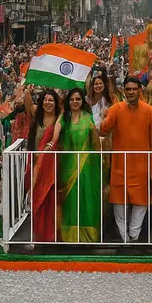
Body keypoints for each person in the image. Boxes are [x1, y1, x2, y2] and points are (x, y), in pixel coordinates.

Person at [99, 77, 152, 242]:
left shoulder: (149, 112)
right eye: (128, 89)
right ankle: (123, 237)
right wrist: (104, 120)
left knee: (141, 202)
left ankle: (134, 235)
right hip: (120, 165)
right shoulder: (115, 109)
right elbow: (103, 131)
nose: (131, 92)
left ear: (140, 89)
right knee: (119, 202)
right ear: (124, 91)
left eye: (134, 89)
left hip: (141, 166)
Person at [55, 87, 103, 242]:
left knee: (86, 197)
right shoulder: (63, 118)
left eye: (78, 99)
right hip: (68, 166)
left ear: (82, 101)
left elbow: (95, 142)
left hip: (87, 167)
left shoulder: (88, 118)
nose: (75, 102)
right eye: (72, 99)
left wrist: (99, 161)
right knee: (70, 199)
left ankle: (88, 236)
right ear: (68, 102)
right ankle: (70, 236)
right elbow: (56, 136)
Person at [24, 87, 61, 242]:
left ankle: (51, 235)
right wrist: (27, 91)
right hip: (35, 163)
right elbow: (27, 105)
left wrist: (50, 146)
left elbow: (55, 139)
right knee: (37, 197)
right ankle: (38, 234)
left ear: (56, 102)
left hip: (51, 165)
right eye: (45, 100)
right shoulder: (36, 117)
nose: (48, 102)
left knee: (50, 199)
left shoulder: (59, 118)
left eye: (51, 100)